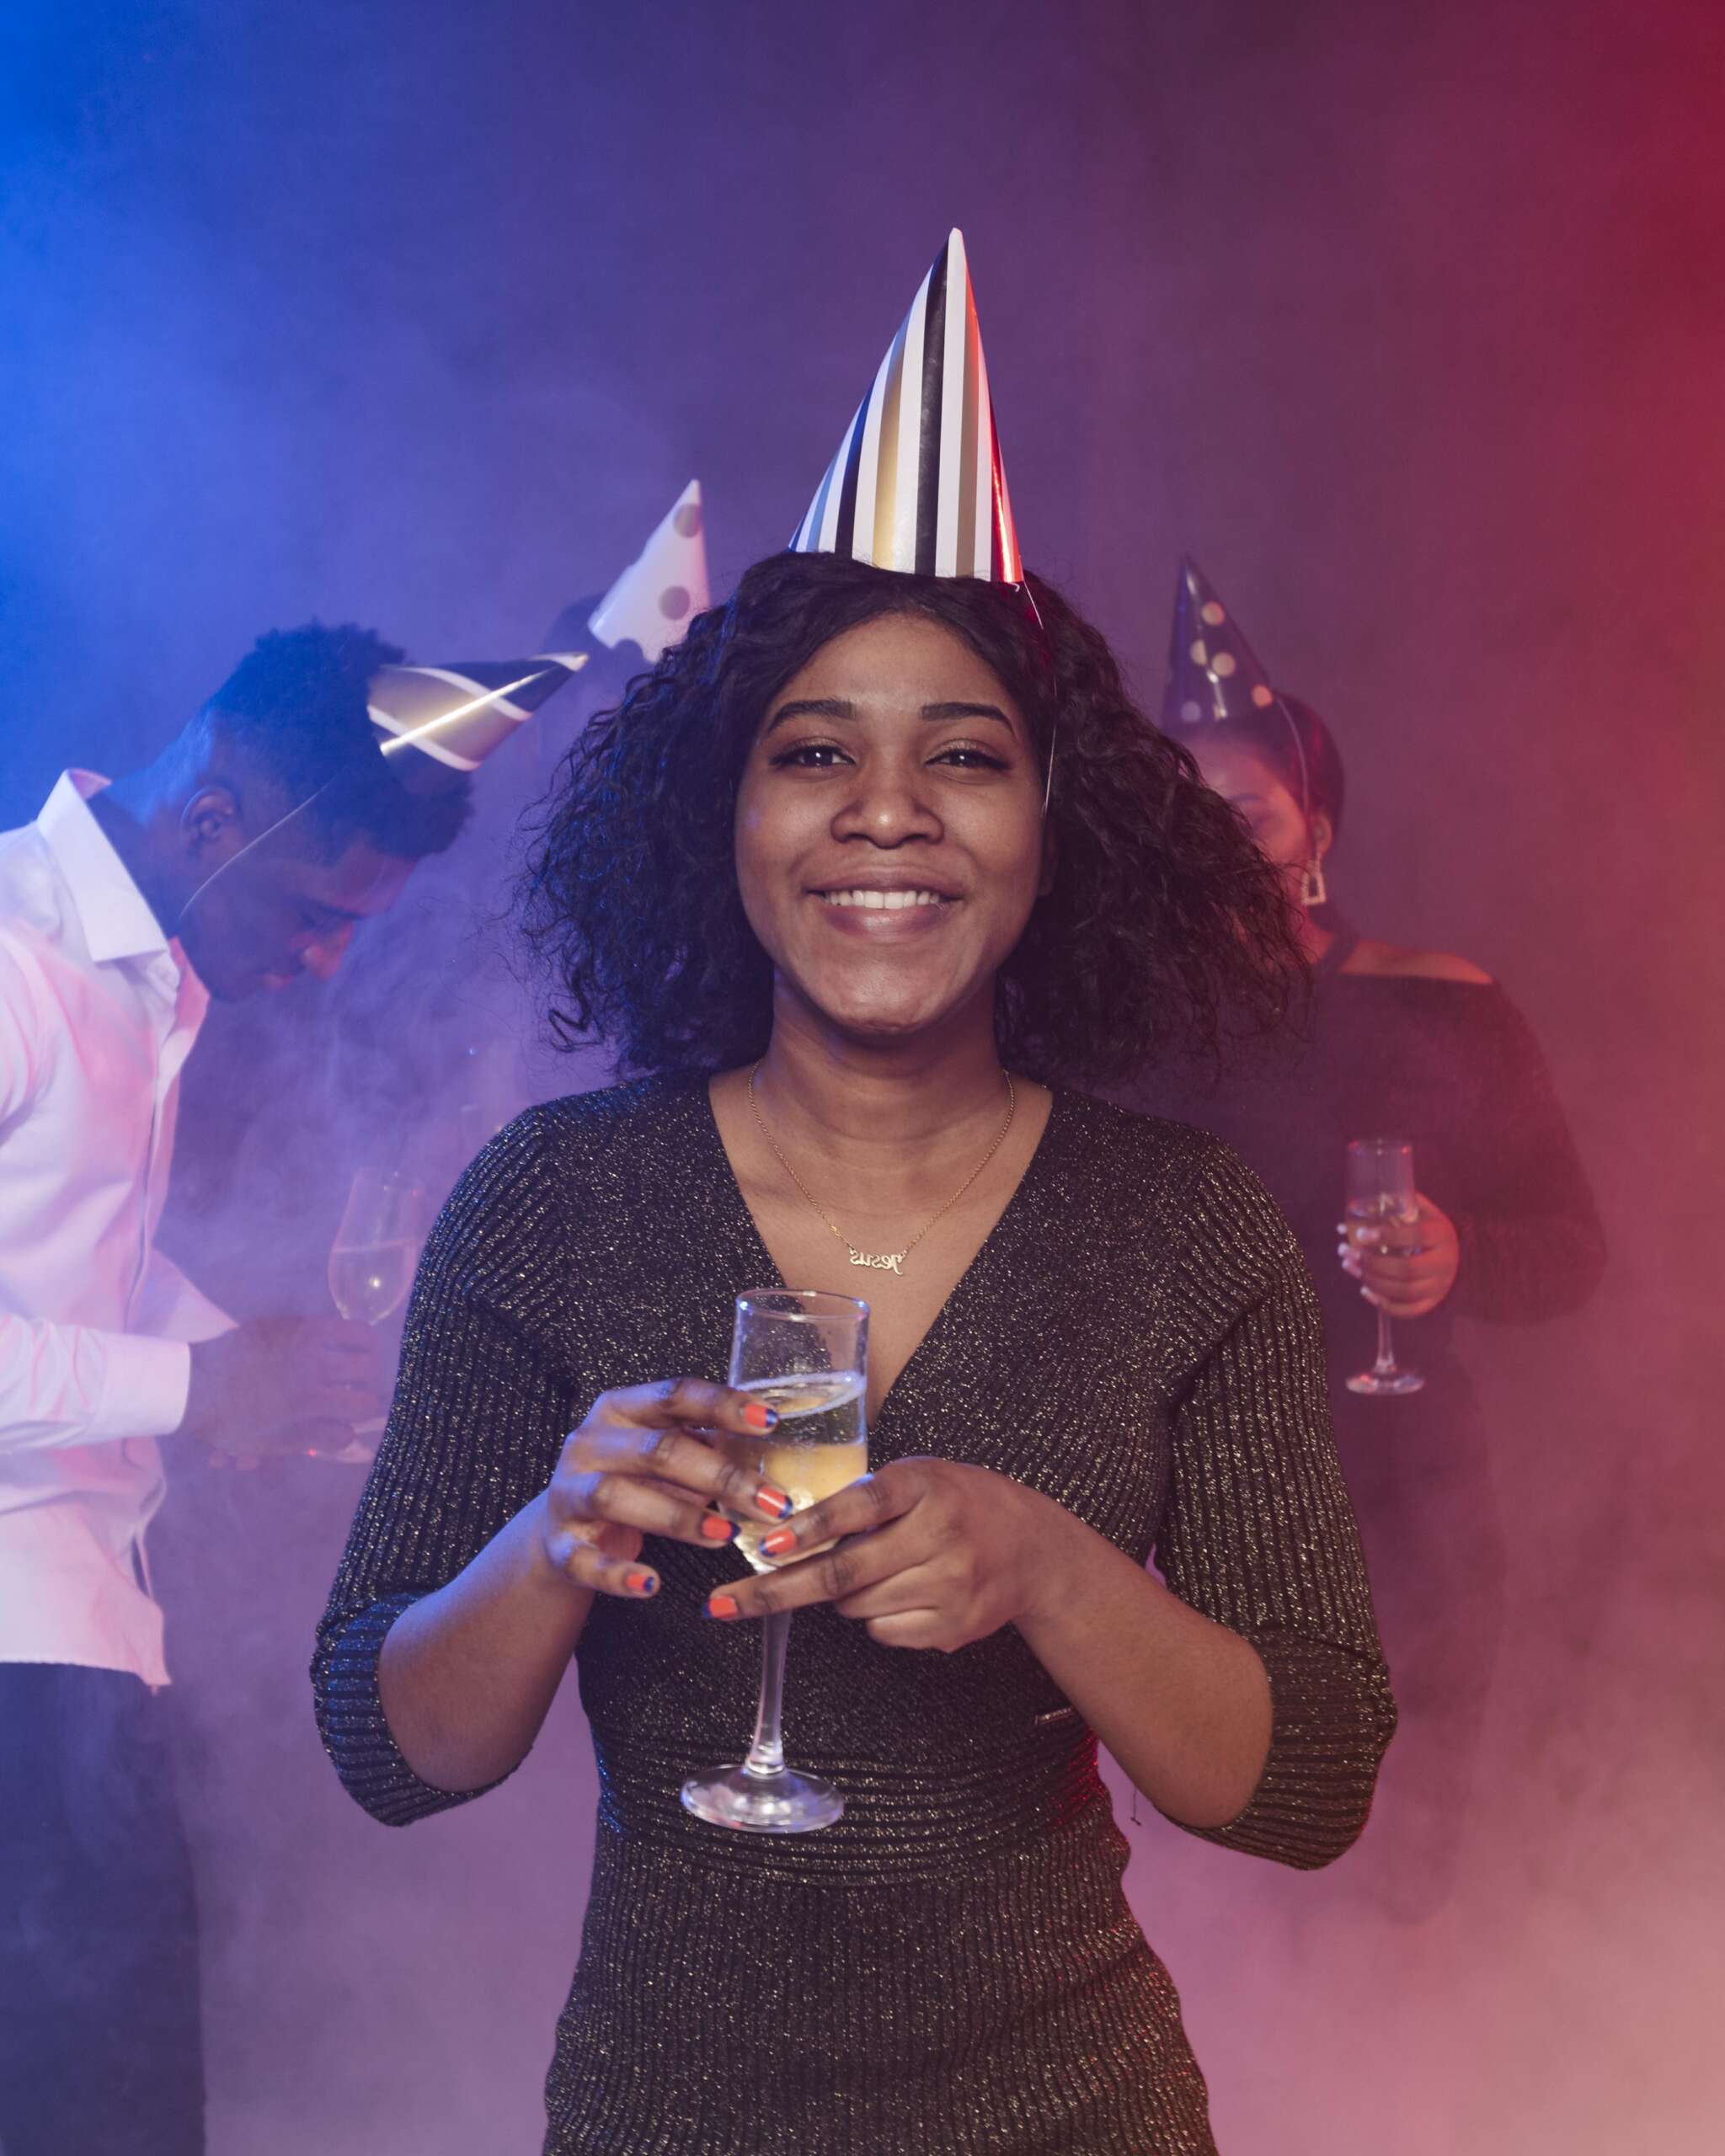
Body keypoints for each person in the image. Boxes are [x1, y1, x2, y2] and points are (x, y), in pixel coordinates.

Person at [314, 235, 1396, 2154]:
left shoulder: (1180, 1225)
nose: (883, 810)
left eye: (963, 758)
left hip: (1074, 2112)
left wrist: (1051, 1564)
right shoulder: (557, 1200)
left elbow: (1305, 1779)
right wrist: (551, 1535)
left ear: (1054, 837)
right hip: (665, 2109)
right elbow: (392, 1748)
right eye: (811, 753)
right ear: (719, 823)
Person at [0, 622, 475, 2154]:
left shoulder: (137, 980)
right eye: (320, 910)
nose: (329, 957)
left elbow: (53, 1267)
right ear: (213, 815)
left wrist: (240, 1346)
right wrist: (191, 1392)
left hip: (79, 1636)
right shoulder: (10, 956)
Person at [1135, 558, 1605, 1921]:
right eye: (1182, 810)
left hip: (1410, 1503)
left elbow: (1574, 1245)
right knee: (1203, 1910)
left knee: (1401, 1877)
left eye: (1246, 805)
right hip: (1176, 1523)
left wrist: (1463, 1256)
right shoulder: (1102, 1034)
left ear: (1315, 826)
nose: (1214, 838)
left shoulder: (1443, 1005)